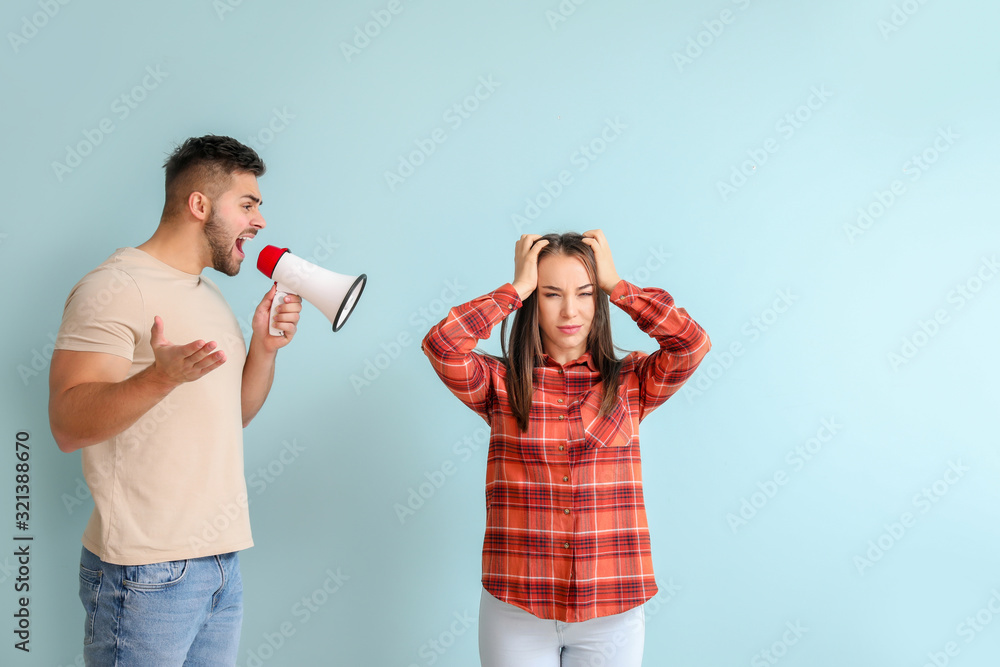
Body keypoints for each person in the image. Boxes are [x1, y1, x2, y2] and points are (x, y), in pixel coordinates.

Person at [48, 135, 302, 666]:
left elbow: (229, 419)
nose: (259, 222)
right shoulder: (113, 287)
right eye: (248, 205)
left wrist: (264, 351)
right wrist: (157, 380)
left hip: (219, 563)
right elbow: (67, 424)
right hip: (145, 572)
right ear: (199, 205)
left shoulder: (206, 295)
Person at [422, 230, 711, 666]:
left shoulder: (633, 380)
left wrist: (619, 286)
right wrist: (514, 289)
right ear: (533, 304)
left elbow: (690, 343)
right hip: (517, 605)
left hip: (612, 605)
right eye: (551, 294)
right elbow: (442, 344)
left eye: (585, 293)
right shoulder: (498, 384)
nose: (570, 310)